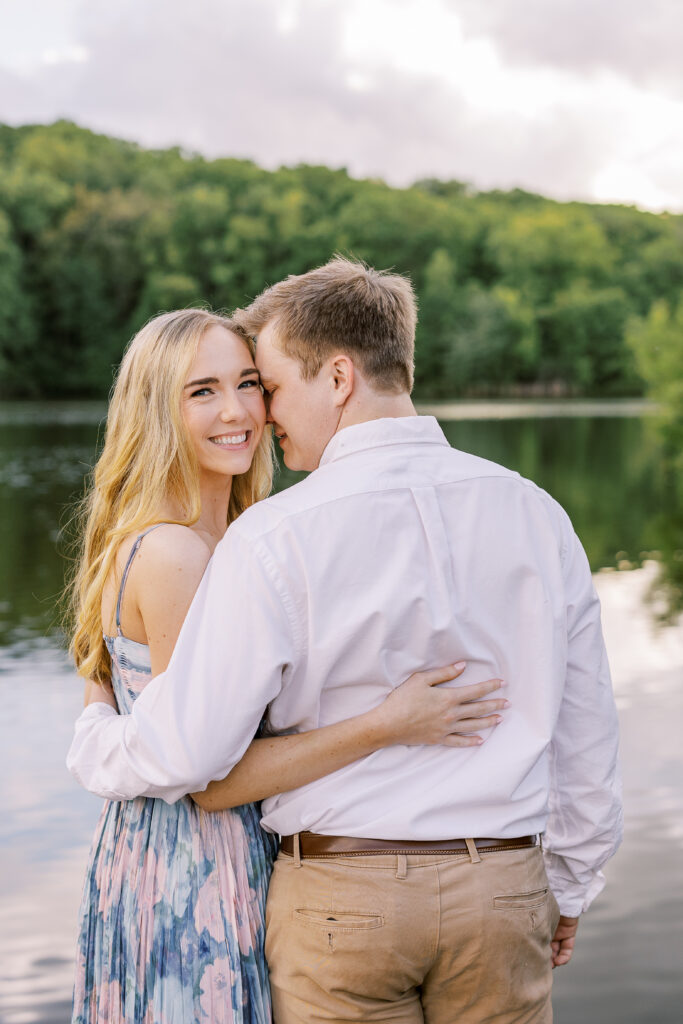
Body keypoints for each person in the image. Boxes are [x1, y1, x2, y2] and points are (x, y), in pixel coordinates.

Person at [68, 259, 622, 1023]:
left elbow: (189, 758)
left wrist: (94, 733)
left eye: (265, 385)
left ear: (335, 378)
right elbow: (586, 733)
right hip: (502, 890)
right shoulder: (536, 512)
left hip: (337, 900)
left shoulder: (271, 536)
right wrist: (566, 886)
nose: (260, 413)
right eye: (223, 389)